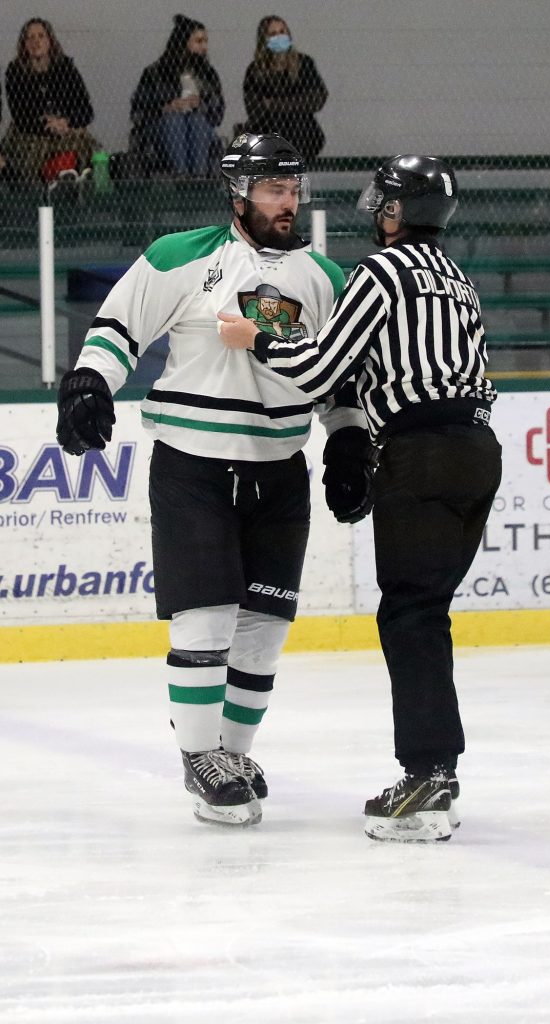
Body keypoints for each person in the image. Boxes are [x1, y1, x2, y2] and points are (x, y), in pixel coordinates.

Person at [55, 132, 371, 828]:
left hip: (279, 471)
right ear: (238, 193)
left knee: (263, 626)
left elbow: (335, 378)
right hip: (192, 464)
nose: (287, 203)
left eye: (293, 190)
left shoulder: (324, 278)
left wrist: (347, 437)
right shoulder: (180, 255)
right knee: (206, 617)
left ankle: (230, 752)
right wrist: (89, 384)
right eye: (273, 189)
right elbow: (117, 328)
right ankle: (200, 760)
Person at [218, 154, 503, 843]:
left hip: (421, 454)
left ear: (396, 211)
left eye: (384, 202)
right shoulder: (457, 279)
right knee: (424, 610)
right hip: (476, 453)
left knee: (409, 614)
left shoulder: (381, 272)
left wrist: (255, 337)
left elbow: (319, 366)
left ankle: (430, 777)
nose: (377, 212)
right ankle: (436, 769)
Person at [2, 18, 97, 183]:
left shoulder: (66, 68)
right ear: (24, 44)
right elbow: (19, 114)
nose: (36, 42)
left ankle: (78, 179)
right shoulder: (15, 71)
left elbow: (86, 110)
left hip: (66, 129)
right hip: (31, 132)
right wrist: (48, 125)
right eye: (30, 37)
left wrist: (66, 122)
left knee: (89, 146)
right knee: (29, 153)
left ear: (50, 41)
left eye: (41, 36)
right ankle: (33, 186)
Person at [130, 14, 225, 178]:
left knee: (197, 120)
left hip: (197, 128)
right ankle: (181, 175)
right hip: (163, 130)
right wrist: (165, 108)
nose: (204, 47)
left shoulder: (208, 74)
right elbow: (137, 113)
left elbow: (218, 115)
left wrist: (201, 104)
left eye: (205, 41)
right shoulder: (154, 73)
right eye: (199, 41)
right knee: (174, 120)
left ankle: (199, 177)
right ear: (183, 42)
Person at [242, 16, 327, 162]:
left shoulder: (304, 63)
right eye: (273, 34)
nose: (279, 37)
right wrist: (297, 103)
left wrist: (273, 104)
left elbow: (317, 98)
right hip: (268, 129)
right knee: (277, 125)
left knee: (295, 122)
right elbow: (254, 109)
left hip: (303, 130)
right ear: (264, 39)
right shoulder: (255, 70)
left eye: (282, 32)